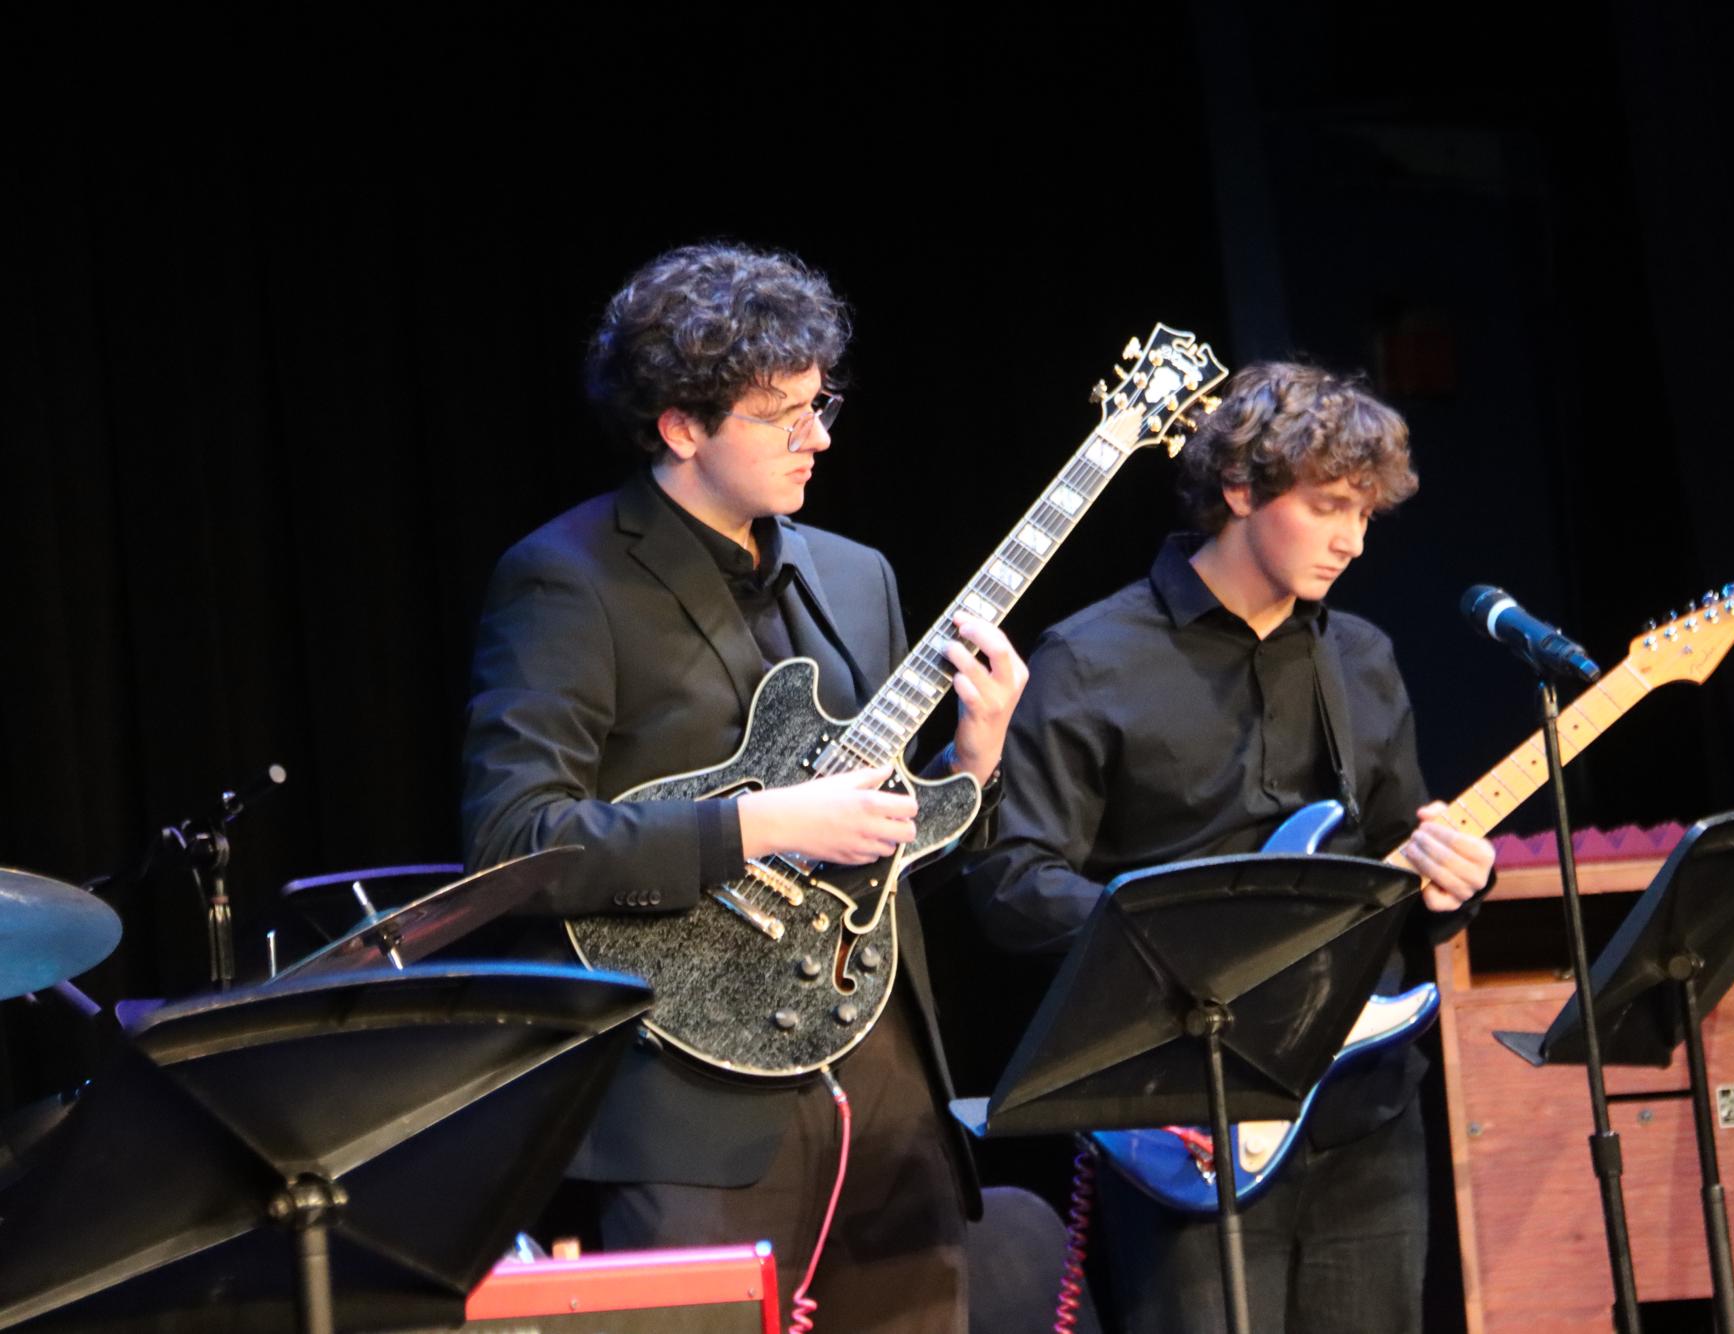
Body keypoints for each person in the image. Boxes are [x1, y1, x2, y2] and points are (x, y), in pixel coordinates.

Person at [460, 241, 1026, 1334]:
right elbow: (513, 838)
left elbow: (891, 851)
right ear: (681, 426)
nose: (820, 436)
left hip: (885, 1081)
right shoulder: (566, 577)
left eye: (822, 404)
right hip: (689, 1094)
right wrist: (758, 824)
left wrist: (976, 757)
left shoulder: (856, 574)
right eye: (783, 415)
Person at [963, 361, 1496, 1333]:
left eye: (1365, 513)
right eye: (1328, 506)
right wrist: (1187, 941)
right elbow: (1013, 882)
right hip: (1181, 1114)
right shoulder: (1091, 656)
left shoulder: (1362, 656)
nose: (1352, 539)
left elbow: (1397, 865)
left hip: (1363, 1113)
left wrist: (1455, 884)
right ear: (1242, 489)